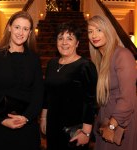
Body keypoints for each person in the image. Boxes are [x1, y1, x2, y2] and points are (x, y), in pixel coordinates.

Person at [0, 11, 44, 150]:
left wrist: (26, 118)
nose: (21, 32)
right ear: (9, 28)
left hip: (27, 127)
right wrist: (2, 120)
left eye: (25, 29)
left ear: (30, 32)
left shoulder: (34, 59)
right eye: (17, 27)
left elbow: (39, 94)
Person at [40, 21, 97, 150]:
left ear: (77, 43)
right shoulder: (52, 64)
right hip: (53, 124)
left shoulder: (85, 66)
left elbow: (90, 102)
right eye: (60, 38)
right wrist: (44, 118)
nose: (64, 42)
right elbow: (47, 94)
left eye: (69, 38)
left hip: (74, 129)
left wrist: (86, 132)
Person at [87, 15, 137, 150]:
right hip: (106, 118)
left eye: (98, 30)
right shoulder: (101, 59)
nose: (94, 35)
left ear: (107, 31)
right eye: (90, 31)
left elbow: (128, 97)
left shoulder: (123, 55)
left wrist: (111, 125)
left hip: (120, 121)